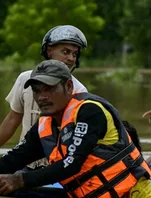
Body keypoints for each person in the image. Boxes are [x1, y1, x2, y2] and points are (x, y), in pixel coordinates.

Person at [0, 60, 151, 198]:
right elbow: (14, 159)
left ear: (68, 87)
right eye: (37, 90)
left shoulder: (90, 111)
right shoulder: (43, 126)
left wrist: (19, 180)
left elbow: (72, 163)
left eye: (49, 89)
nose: (42, 97)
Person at [0, 25, 88, 169]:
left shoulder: (79, 90)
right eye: (65, 52)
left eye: (74, 54)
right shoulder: (25, 79)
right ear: (49, 50)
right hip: (23, 161)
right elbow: (12, 120)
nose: (71, 58)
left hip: (56, 167)